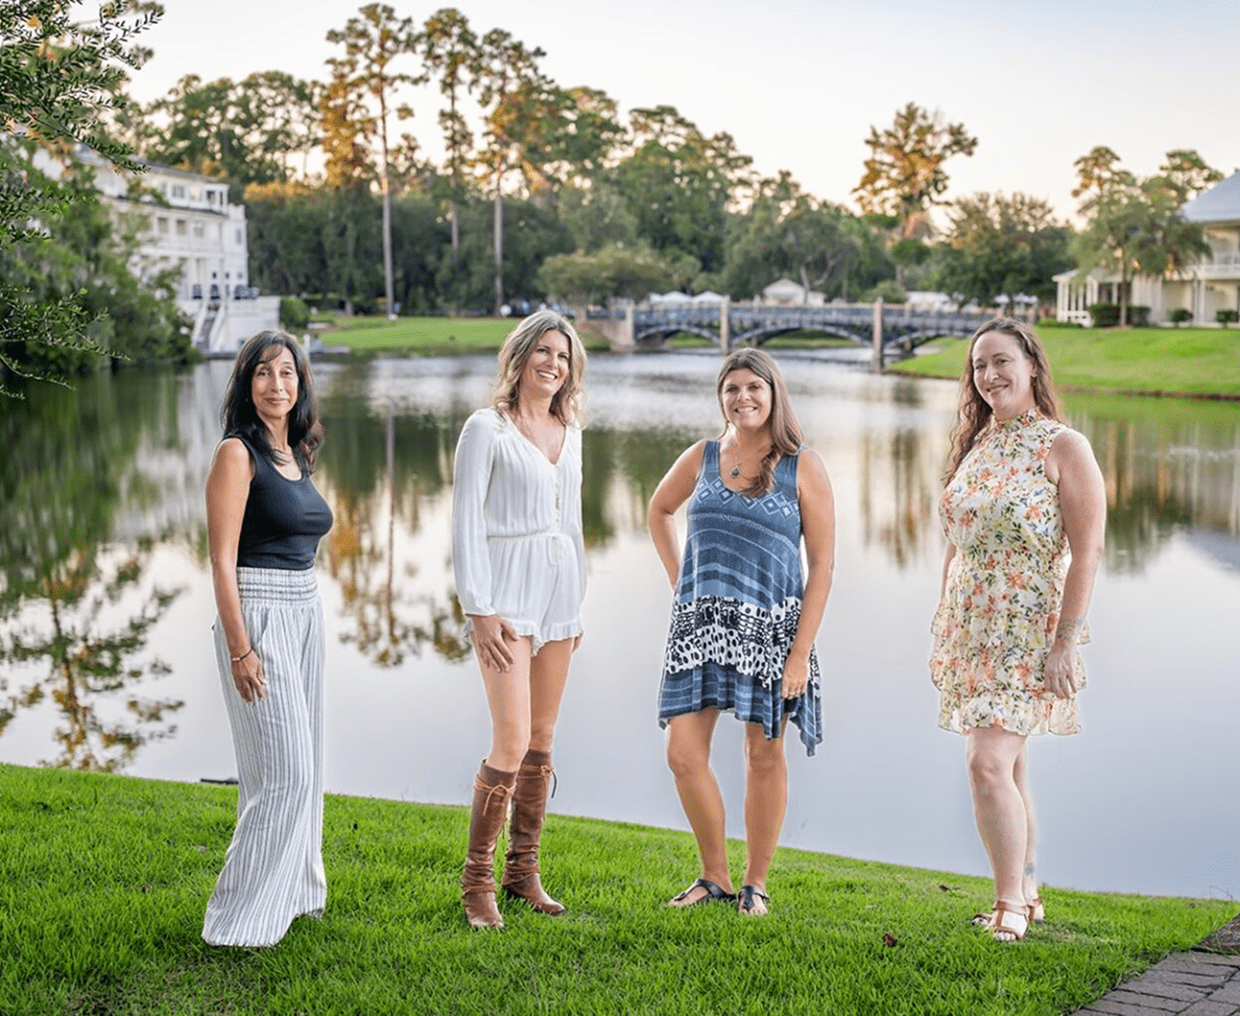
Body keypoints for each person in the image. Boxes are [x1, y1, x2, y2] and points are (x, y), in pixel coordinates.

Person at [930, 317, 1105, 943]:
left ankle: (1007, 903)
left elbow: (1086, 551)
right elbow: (958, 541)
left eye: (1002, 361)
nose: (989, 375)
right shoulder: (978, 444)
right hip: (970, 631)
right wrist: (941, 622)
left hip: (1028, 632)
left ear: (1032, 365)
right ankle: (1026, 891)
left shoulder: (1064, 446)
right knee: (1012, 768)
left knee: (986, 763)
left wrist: (1066, 642)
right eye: (979, 366)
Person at [648, 348, 835, 916]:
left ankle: (754, 884)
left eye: (755, 387)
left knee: (762, 755)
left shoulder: (803, 465)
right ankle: (714, 876)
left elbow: (823, 566)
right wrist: (684, 581)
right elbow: (659, 510)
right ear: (720, 397)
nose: (743, 397)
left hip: (771, 632)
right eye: (731, 388)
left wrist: (799, 653)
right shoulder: (701, 457)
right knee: (682, 753)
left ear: (774, 394)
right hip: (700, 627)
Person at [452, 309, 588, 930]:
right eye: (544, 352)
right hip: (505, 596)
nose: (553, 364)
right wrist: (479, 611)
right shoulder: (487, 428)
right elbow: (464, 526)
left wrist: (578, 604)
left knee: (543, 738)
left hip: (560, 597)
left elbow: (575, 524)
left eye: (563, 356)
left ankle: (522, 871)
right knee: (510, 738)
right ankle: (477, 882)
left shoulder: (570, 429)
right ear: (520, 356)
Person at [203, 330, 333, 947]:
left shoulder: (297, 453)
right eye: (262, 373)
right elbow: (222, 563)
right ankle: (238, 920)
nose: (276, 385)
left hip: (305, 611)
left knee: (307, 764)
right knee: (285, 775)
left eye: (286, 373)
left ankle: (298, 891)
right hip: (259, 612)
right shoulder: (237, 453)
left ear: (300, 383)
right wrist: (241, 648)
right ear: (245, 384)